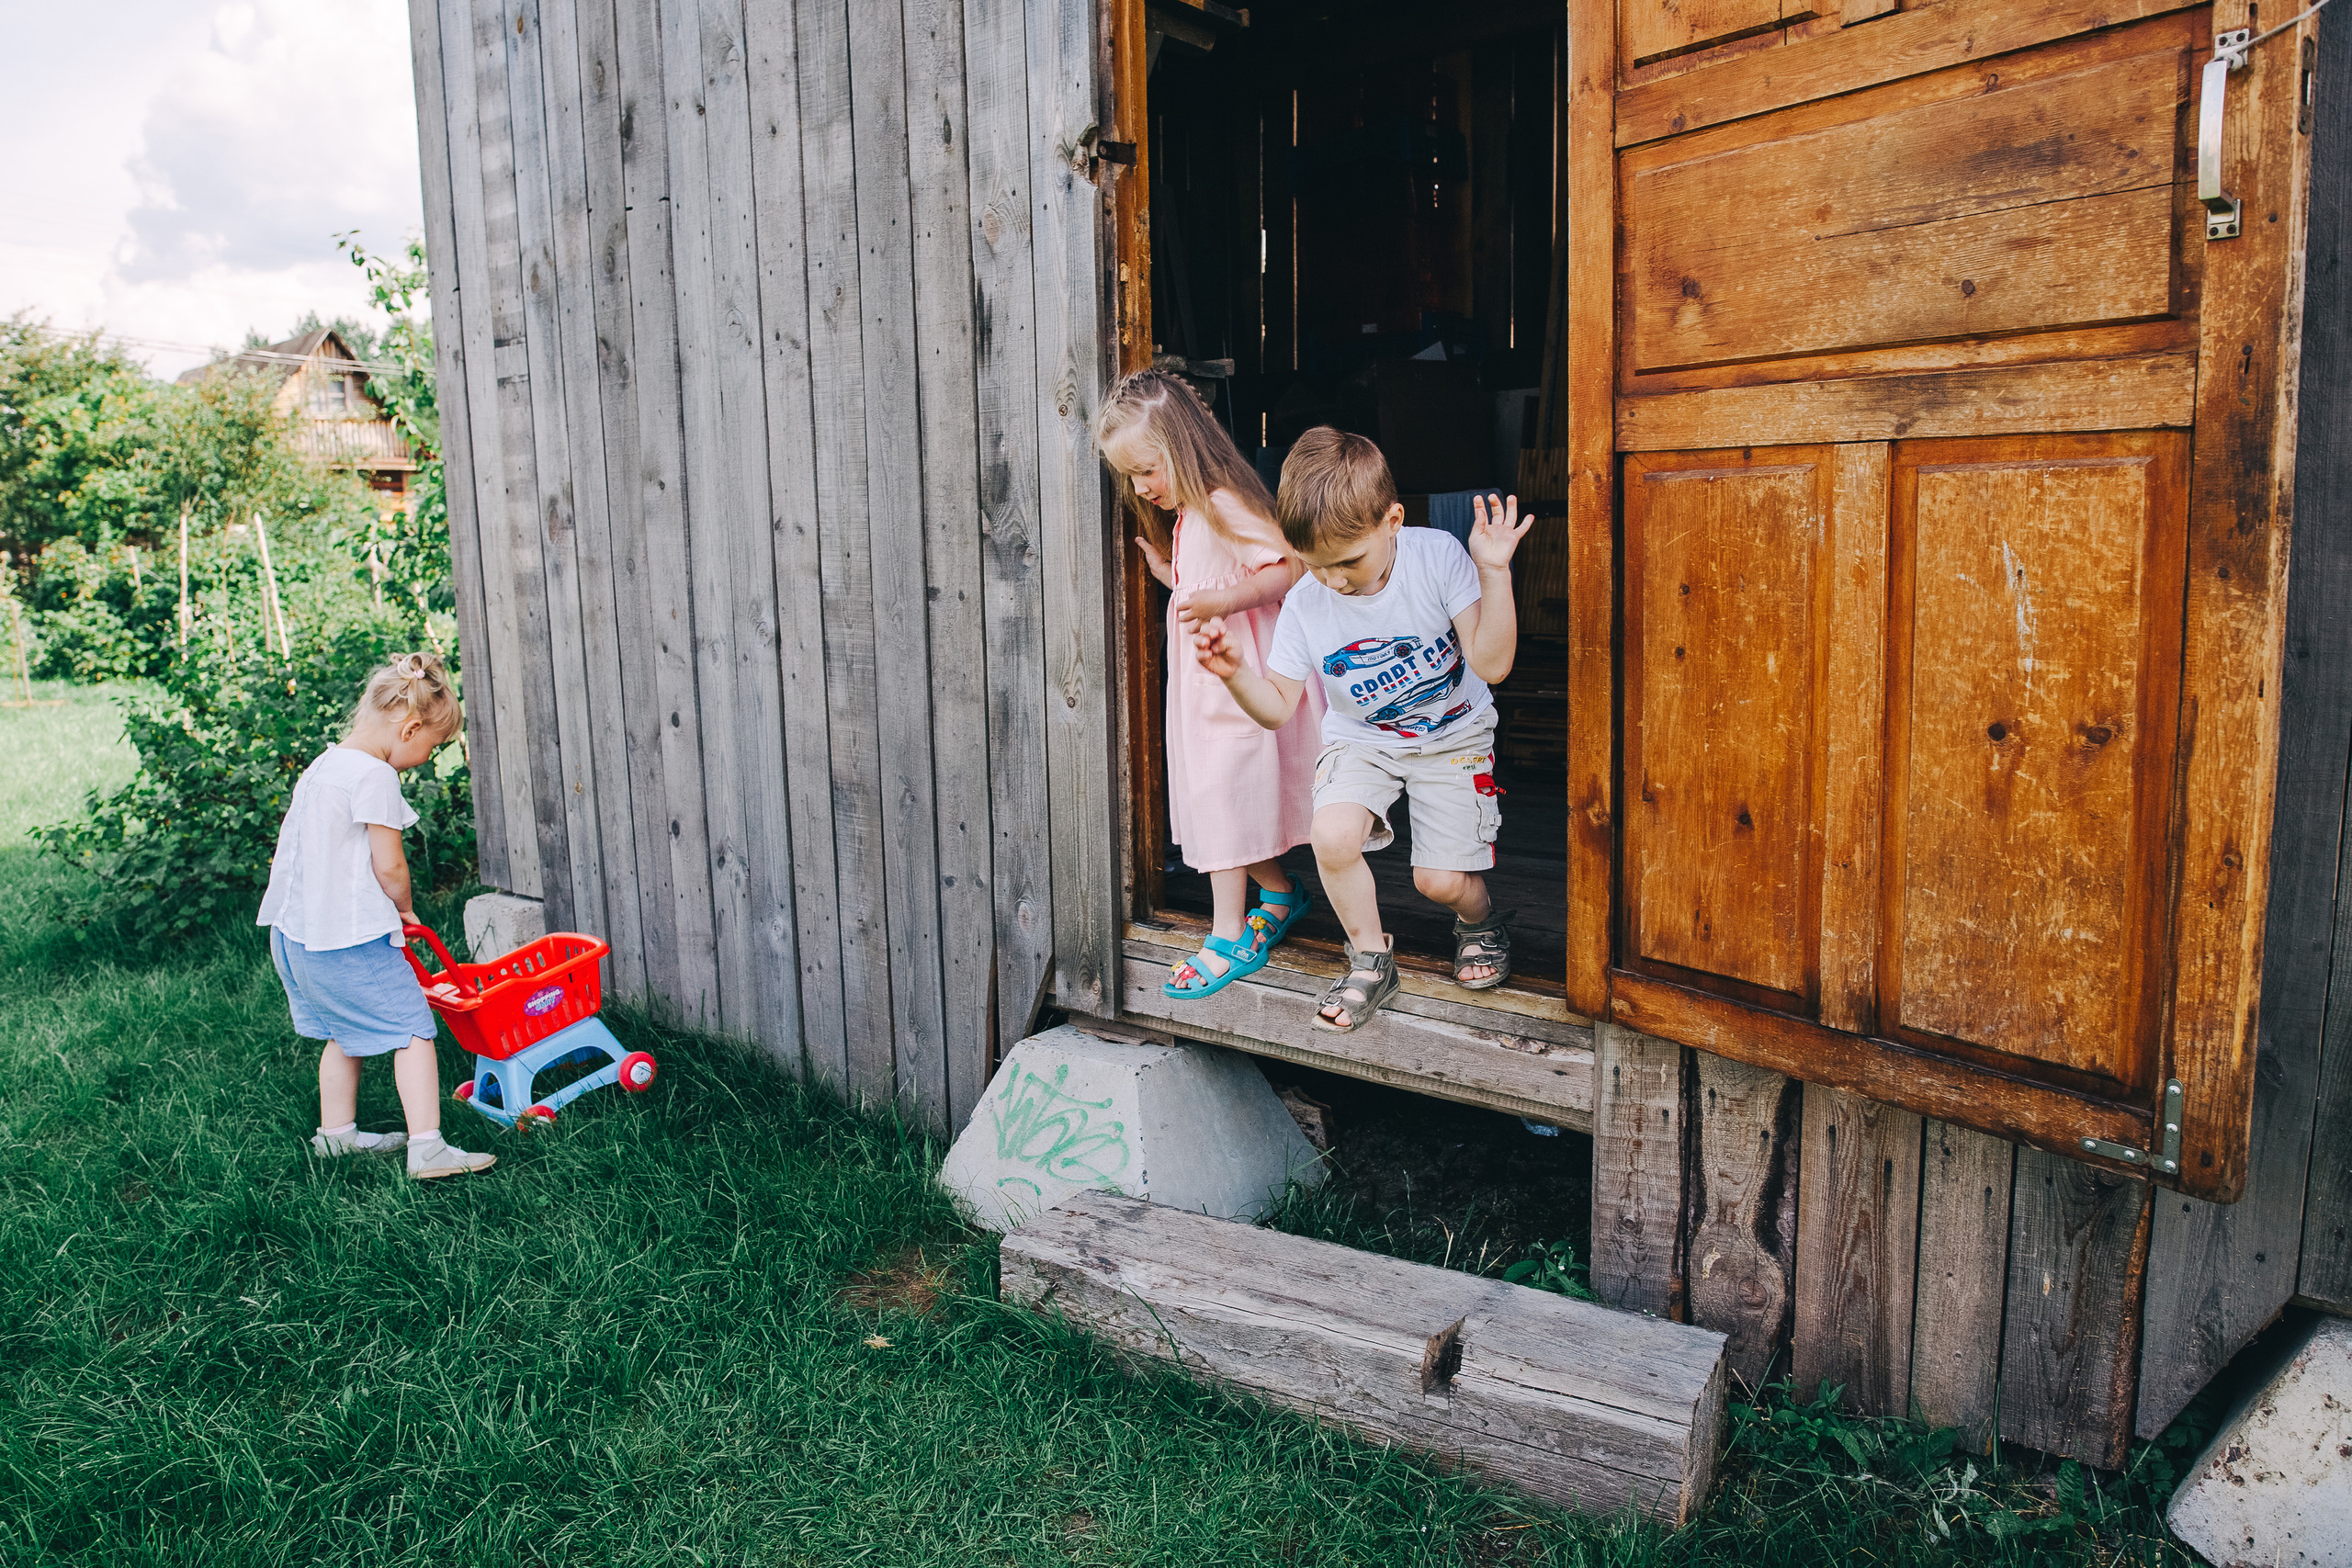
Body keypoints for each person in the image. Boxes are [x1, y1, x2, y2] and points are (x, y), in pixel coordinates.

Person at [1193, 426, 1532, 1032]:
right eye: (1319, 566)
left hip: (1453, 734)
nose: (1337, 581)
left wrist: (1494, 571)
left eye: (1349, 560)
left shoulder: (1438, 559)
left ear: (1393, 519)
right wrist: (1235, 673)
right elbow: (1276, 708)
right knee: (1331, 834)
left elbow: (1492, 664)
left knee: (1440, 880)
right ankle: (1371, 960)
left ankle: (1480, 923)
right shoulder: (1307, 600)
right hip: (1363, 739)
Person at [1095, 369, 1322, 998]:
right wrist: (1171, 573)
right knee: (1217, 797)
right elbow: (1201, 588)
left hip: (1238, 683)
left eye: (1148, 470)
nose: (1141, 487)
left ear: (1184, 446)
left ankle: (1226, 933)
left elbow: (1288, 567)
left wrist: (1225, 598)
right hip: (1205, 688)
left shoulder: (1222, 500)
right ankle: (1279, 892)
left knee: (1224, 796)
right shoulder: (1193, 511)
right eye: (1131, 477)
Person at [257, 652, 496, 1179]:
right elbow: (389, 865)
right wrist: (405, 909)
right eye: (430, 747)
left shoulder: (325, 765)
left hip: (295, 939)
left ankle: (337, 1137)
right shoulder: (375, 776)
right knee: (413, 1031)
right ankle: (428, 1148)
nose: (426, 757)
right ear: (409, 727)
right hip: (348, 943)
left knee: (344, 1033)